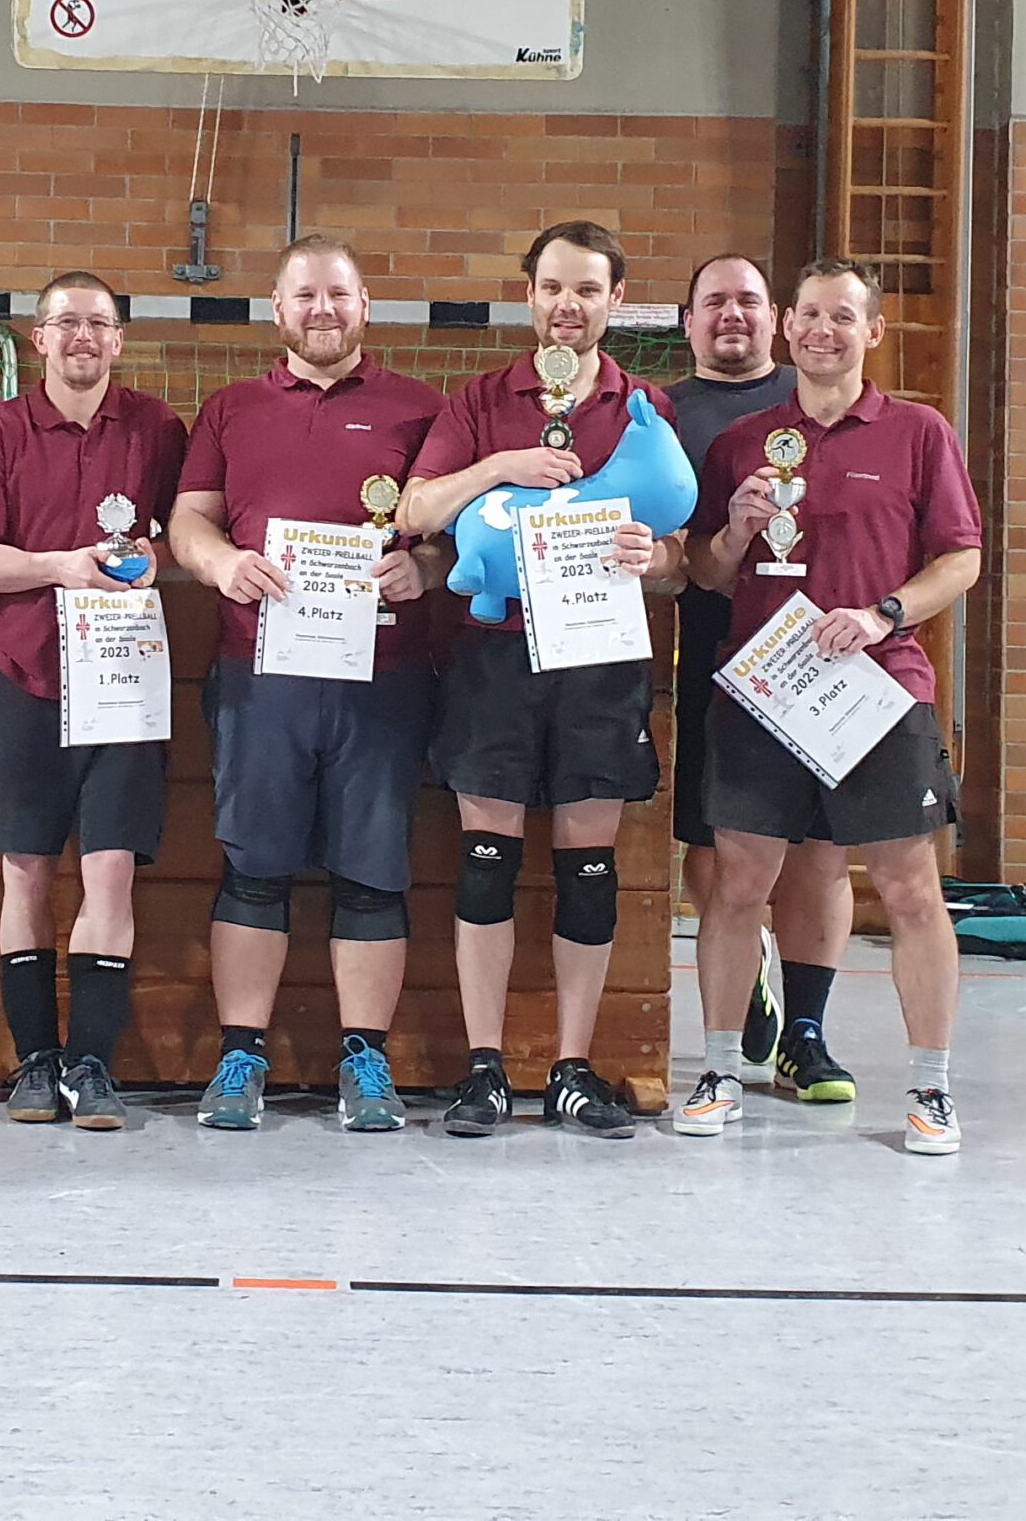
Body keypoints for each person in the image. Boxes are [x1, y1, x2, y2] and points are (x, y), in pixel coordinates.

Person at [681, 258, 981, 1154]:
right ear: (786, 328)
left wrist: (884, 613)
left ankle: (930, 1089)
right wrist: (733, 528)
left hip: (878, 693)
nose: (821, 331)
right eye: (808, 315)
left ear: (872, 332)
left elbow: (960, 558)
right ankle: (722, 1068)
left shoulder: (920, 433)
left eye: (841, 317)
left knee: (909, 888)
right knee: (737, 887)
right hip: (762, 694)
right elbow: (704, 571)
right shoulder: (744, 443)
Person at [398, 220, 684, 1140]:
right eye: (554, 288)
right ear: (529, 296)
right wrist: (499, 467)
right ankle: (484, 1069)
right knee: (485, 862)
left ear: (613, 302)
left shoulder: (644, 407)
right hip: (496, 656)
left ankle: (570, 1066)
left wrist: (654, 557)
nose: (569, 306)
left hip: (601, 659)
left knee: (587, 870)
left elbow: (681, 558)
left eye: (589, 290)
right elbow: (415, 508)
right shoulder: (483, 399)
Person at [168, 236, 450, 1134]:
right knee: (254, 867)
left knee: (373, 877)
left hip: (384, 679)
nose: (321, 311)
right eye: (304, 297)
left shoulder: (423, 409)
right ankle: (240, 1056)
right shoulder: (231, 409)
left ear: (366, 304)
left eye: (338, 295)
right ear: (276, 309)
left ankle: (366, 1060)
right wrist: (219, 565)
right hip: (261, 675)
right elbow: (188, 521)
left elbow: (449, 530)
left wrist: (428, 571)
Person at [0, 271, 187, 1130]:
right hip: (26, 678)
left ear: (118, 340)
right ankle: (35, 1064)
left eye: (99, 324)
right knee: (25, 871)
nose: (83, 337)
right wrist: (60, 565)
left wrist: (159, 558)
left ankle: (91, 1064)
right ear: (36, 339)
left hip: (122, 685)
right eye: (65, 323)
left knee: (111, 873)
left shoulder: (158, 428)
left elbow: (181, 534)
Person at [670, 254, 856, 1102]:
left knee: (820, 852)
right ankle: (748, 991)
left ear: (776, 316)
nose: (732, 315)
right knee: (715, 850)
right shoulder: (662, 412)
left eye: (748, 300)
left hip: (830, 664)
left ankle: (806, 1033)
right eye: (715, 303)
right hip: (718, 655)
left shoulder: (817, 399)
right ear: (687, 321)